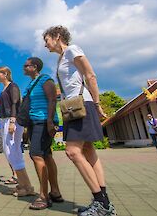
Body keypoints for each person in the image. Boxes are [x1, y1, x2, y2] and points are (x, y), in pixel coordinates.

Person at [43, 25, 116, 215]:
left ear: (57, 36)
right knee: (88, 150)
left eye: (47, 40)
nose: (45, 45)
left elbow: (90, 75)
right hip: (72, 107)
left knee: (72, 152)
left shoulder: (72, 50)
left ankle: (101, 203)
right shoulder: (61, 59)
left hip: (82, 104)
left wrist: (98, 104)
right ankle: (104, 202)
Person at [23, 57, 63, 210]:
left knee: (36, 155)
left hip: (44, 121)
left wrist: (50, 122)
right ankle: (55, 192)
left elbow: (52, 100)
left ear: (34, 67)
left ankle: (43, 196)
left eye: (26, 66)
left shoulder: (45, 80)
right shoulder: (31, 83)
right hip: (34, 122)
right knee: (46, 155)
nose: (24, 68)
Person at [0, 66, 35, 197]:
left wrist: (12, 121)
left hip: (11, 120)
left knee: (13, 151)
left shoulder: (13, 86)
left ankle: (27, 186)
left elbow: (15, 103)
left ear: (5, 74)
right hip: (4, 120)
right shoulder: (4, 89)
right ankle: (23, 184)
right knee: (9, 152)